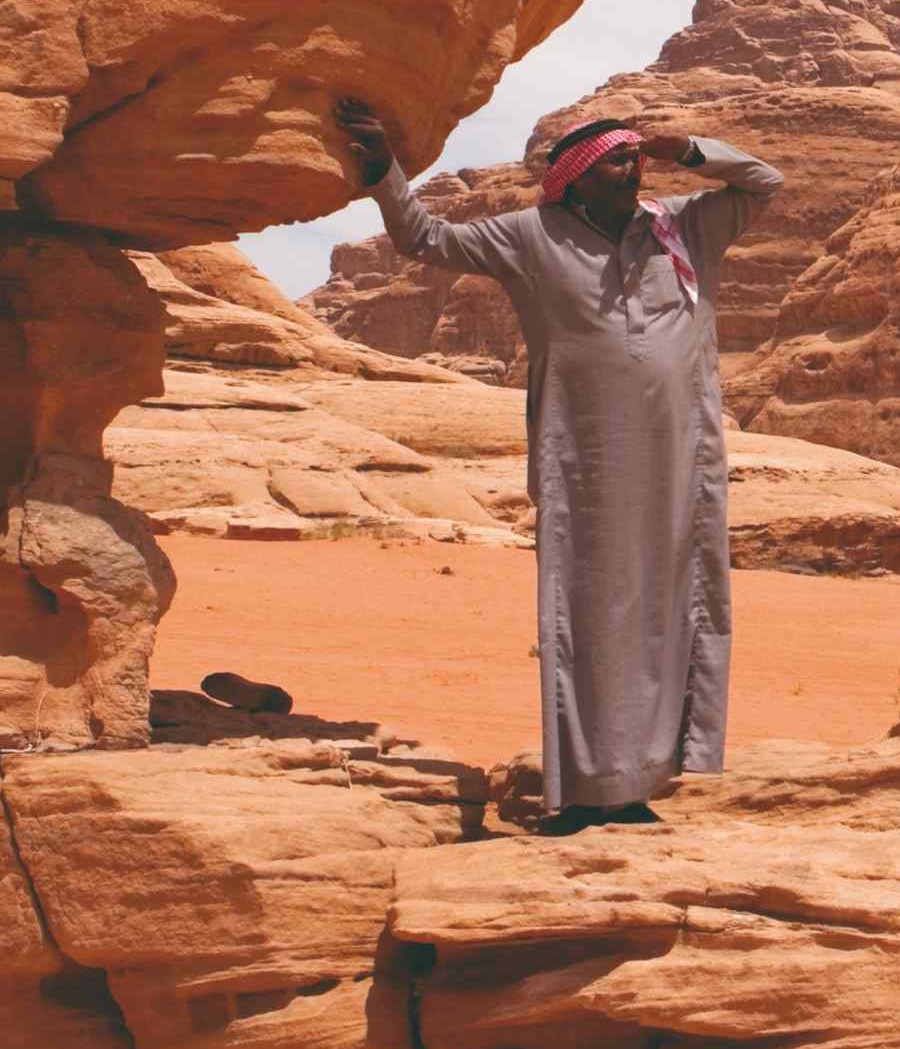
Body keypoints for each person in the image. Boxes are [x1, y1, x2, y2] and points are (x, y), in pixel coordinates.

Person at [334, 96, 781, 832]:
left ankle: (653, 777)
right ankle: (585, 789)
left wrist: (690, 149)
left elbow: (764, 182)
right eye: (617, 159)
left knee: (676, 594)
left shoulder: (685, 227)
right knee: (591, 606)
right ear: (574, 178)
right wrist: (384, 169)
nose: (633, 168)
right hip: (586, 452)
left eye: (636, 156)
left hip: (681, 449)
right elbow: (424, 239)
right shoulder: (528, 236)